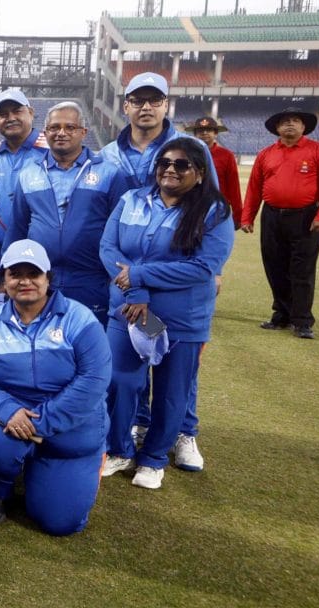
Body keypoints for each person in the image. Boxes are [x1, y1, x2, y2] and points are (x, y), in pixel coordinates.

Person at [100, 137, 234, 490]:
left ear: (200, 173)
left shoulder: (214, 212)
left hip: (182, 317)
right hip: (129, 310)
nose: (171, 170)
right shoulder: (132, 200)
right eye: (165, 163)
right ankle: (119, 449)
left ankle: (154, 457)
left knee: (172, 392)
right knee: (119, 381)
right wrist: (138, 289)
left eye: (182, 165)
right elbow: (108, 248)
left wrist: (141, 275)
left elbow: (203, 267)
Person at [0, 239, 110, 535]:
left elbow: (94, 380)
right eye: (16, 274)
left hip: (71, 428)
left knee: (60, 523)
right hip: (12, 419)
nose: (25, 281)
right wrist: (8, 410)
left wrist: (40, 423)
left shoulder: (79, 319)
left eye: (34, 273)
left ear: (48, 278)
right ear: (4, 280)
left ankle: (57, 466)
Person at [8, 102, 125, 327]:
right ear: (45, 133)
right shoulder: (29, 173)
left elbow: (122, 231)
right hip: (41, 280)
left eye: (70, 127)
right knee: (44, 350)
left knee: (88, 349)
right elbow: (18, 228)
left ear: (83, 132)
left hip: (91, 281)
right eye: (54, 127)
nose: (61, 133)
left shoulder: (109, 173)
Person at [241, 106, 319, 340]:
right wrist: (247, 217)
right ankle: (281, 315)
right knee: (275, 267)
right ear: (277, 128)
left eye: (295, 121)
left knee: (302, 270)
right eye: (285, 121)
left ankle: (302, 320)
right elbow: (254, 187)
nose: (290, 124)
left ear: (304, 127)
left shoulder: (318, 150)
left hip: (305, 218)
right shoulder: (265, 154)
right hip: (272, 216)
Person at [0, 88, 50, 297]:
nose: (11, 118)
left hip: (45, 251)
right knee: (3, 323)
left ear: (31, 113)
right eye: (3, 114)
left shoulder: (51, 150)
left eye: (17, 111)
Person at [188, 116, 243, 229]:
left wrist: (238, 214)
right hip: (191, 206)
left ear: (216, 133)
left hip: (218, 208)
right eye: (200, 130)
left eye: (208, 130)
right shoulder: (187, 153)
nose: (204, 133)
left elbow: (233, 186)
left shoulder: (227, 155)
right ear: (195, 134)